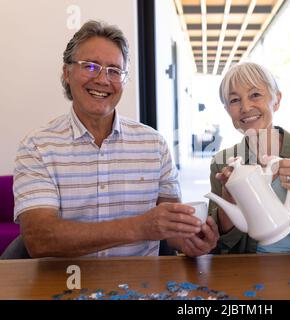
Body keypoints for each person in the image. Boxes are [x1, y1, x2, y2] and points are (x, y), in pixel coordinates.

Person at [13, 20, 218, 258]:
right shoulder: (37, 146)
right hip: (64, 288)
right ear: (67, 73)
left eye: (114, 71)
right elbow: (41, 239)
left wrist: (190, 241)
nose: (102, 79)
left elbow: (171, 230)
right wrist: (139, 227)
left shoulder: (154, 145)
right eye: (90, 66)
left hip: (141, 288)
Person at [208, 62, 290, 254]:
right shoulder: (222, 162)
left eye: (255, 95)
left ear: (277, 100)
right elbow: (221, 242)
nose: (245, 107)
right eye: (234, 100)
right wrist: (230, 196)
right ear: (227, 110)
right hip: (246, 267)